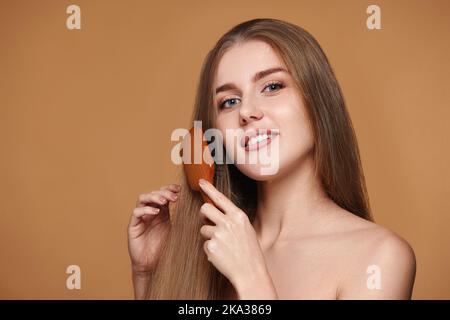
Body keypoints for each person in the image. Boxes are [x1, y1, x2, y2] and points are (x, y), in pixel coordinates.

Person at [127, 18, 416, 300]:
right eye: (229, 101)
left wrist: (251, 279)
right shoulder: (210, 249)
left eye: (272, 87)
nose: (247, 111)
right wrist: (149, 276)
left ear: (317, 100)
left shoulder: (380, 257)